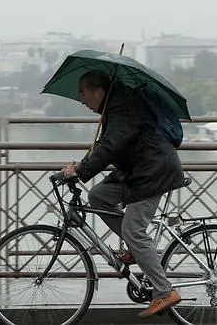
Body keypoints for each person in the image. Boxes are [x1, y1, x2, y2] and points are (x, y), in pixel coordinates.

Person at [61, 70, 186, 318]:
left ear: (99, 90)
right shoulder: (114, 108)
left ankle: (164, 292)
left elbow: (110, 145)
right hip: (137, 170)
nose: (82, 100)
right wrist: (80, 167)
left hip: (152, 172)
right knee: (98, 196)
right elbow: (107, 146)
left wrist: (80, 171)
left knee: (133, 229)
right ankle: (137, 248)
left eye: (83, 94)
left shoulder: (123, 107)